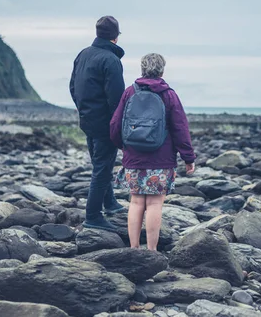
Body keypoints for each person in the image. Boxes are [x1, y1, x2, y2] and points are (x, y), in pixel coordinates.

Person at [110, 53, 196, 250]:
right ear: (162, 70)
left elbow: (115, 124)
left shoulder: (130, 92)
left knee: (136, 203)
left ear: (142, 69)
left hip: (134, 158)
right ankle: (152, 250)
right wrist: (188, 157)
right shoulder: (169, 95)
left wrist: (123, 146)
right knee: (155, 206)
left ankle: (133, 248)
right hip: (161, 160)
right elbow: (180, 128)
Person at [70, 16, 126, 232]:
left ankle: (109, 203)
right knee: (102, 168)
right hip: (104, 123)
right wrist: (118, 127)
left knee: (100, 164)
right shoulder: (110, 60)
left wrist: (83, 108)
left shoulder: (83, 54)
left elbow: (73, 86)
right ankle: (93, 215)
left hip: (88, 119)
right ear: (115, 37)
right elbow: (117, 99)